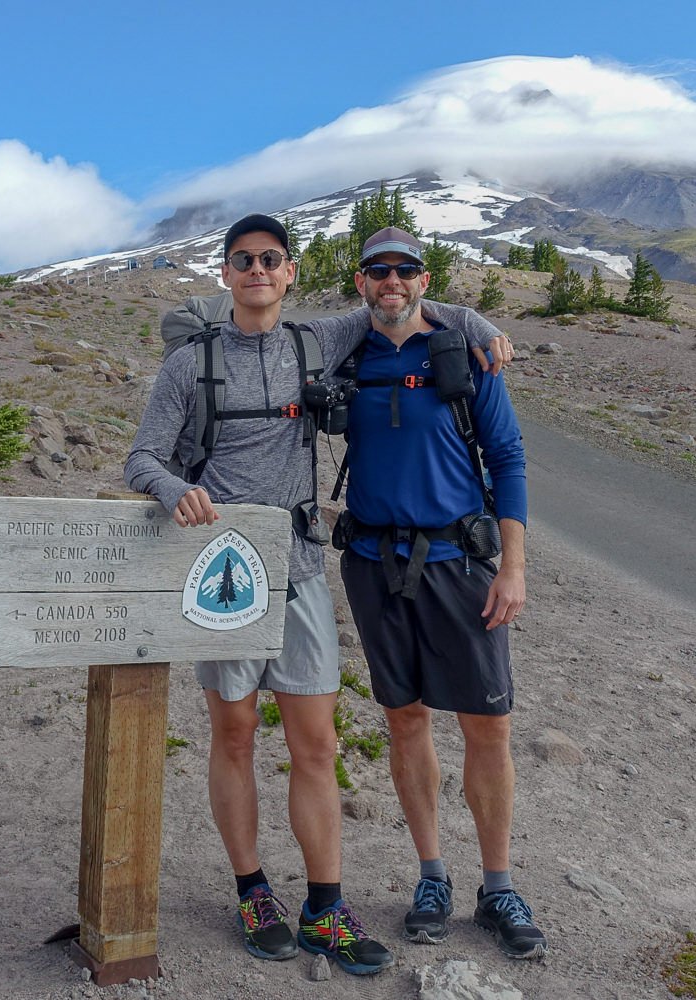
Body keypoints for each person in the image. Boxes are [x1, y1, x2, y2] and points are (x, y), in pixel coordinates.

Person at [123, 214, 512, 975]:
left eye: (271, 259)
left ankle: (325, 907)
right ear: (226, 271)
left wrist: (479, 321)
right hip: (222, 577)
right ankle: (252, 889)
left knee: (317, 745)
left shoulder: (318, 340)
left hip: (298, 569)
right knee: (234, 736)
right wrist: (174, 489)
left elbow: (399, 309)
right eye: (243, 260)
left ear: (291, 272)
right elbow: (140, 457)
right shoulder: (186, 366)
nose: (258, 270)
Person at [335, 227, 546, 959]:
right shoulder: (346, 354)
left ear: (426, 279)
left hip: (460, 563)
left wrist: (513, 568)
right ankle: (432, 876)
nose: (391, 281)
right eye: (377, 271)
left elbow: (508, 456)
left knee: (488, 725)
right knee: (406, 720)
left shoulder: (465, 352)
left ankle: (497, 883)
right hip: (373, 560)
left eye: (406, 270)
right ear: (359, 282)